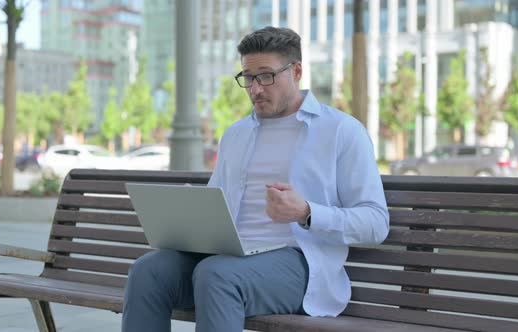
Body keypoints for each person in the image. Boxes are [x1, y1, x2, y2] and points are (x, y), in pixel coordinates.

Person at [121, 26, 389, 332]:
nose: (255, 89)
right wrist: (190, 216)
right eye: (248, 78)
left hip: (299, 264)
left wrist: (307, 212)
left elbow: (376, 223)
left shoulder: (342, 131)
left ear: (296, 70)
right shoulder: (236, 134)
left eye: (265, 76)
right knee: (148, 271)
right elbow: (217, 208)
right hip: (228, 257)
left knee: (217, 274)